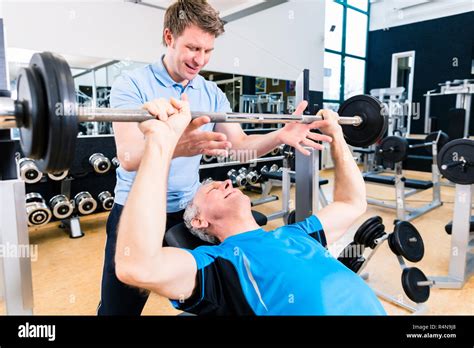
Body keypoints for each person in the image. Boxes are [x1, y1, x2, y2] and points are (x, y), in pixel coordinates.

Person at [99, 0, 332, 315]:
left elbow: (239, 146)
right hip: (136, 212)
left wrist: (279, 136)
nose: (200, 59)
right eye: (193, 48)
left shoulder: (211, 93)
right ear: (169, 37)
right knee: (119, 309)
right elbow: (127, 156)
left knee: (218, 299)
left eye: (208, 51)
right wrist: (177, 144)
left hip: (191, 213)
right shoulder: (132, 84)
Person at [114, 96, 387, 315]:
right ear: (199, 221)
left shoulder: (297, 233)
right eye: (211, 187)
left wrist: (337, 136)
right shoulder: (219, 267)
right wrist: (161, 143)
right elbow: (137, 267)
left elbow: (352, 202)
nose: (227, 183)